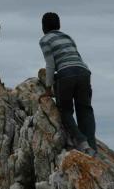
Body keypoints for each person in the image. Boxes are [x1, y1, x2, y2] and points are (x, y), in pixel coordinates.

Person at [39, 12, 97, 156]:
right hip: (84, 72)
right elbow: (78, 57)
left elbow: (51, 65)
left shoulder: (45, 40)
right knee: (85, 110)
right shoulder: (68, 37)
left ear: (43, 27)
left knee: (64, 110)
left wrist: (48, 88)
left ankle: (82, 143)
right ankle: (92, 147)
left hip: (66, 74)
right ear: (59, 25)